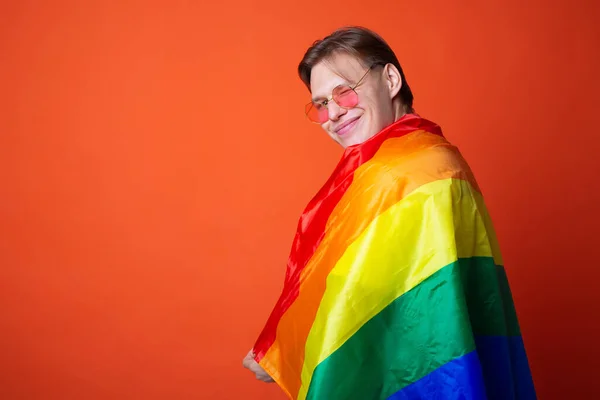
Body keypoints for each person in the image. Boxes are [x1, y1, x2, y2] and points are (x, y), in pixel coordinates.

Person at [243, 26, 536, 400]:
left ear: (391, 79)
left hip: (420, 367)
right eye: (320, 104)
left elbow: (365, 294)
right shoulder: (408, 160)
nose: (332, 113)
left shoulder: (409, 168)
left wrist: (284, 346)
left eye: (344, 92)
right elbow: (352, 275)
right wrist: (281, 342)